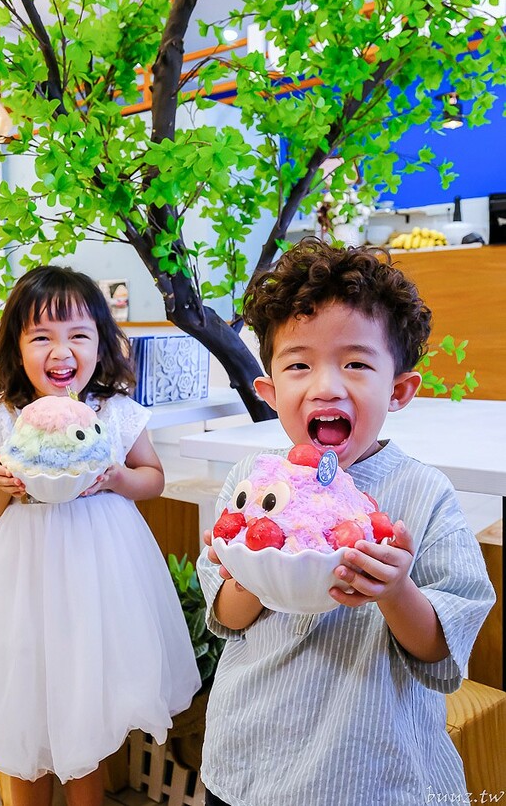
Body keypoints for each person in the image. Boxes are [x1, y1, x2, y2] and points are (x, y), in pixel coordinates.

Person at [197, 238, 495, 806]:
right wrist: (249, 573)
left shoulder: (422, 495)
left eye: (356, 363)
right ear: (269, 391)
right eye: (299, 364)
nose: (326, 385)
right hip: (250, 758)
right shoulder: (249, 483)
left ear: (400, 388)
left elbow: (442, 648)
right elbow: (229, 619)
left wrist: (395, 589)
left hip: (370, 768)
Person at [0, 265, 200, 806]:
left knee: (89, 702)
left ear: (101, 345)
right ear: (17, 346)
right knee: (26, 703)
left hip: (98, 569)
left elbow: (152, 479)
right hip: (22, 573)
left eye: (79, 335)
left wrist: (118, 477)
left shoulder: (117, 412)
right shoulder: (4, 418)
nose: (62, 351)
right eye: (42, 337)